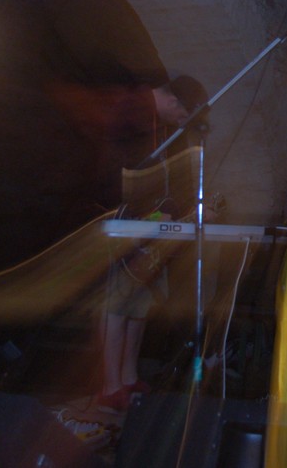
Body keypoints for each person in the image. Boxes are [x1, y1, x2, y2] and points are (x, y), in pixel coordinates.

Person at [95, 73, 208, 413]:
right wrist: (139, 213)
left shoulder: (155, 121)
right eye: (183, 114)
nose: (182, 123)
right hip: (124, 225)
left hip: (147, 228)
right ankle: (110, 387)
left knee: (139, 305)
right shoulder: (131, 111)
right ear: (173, 100)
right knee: (117, 306)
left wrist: (168, 209)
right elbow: (114, 170)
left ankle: (128, 378)